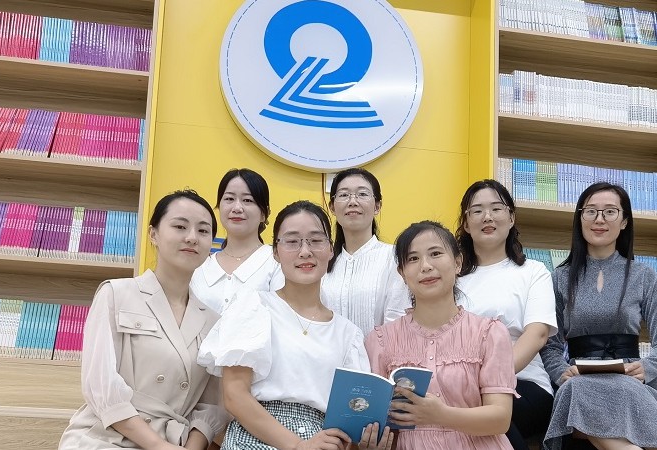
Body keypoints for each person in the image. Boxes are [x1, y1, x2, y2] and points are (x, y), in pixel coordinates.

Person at [61, 190, 231, 450]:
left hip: (175, 442)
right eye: (180, 226)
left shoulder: (213, 320)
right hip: (104, 437)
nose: (192, 237)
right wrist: (157, 446)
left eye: (203, 231)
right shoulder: (116, 293)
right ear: (153, 234)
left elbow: (211, 406)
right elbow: (101, 386)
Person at [198, 201, 371, 450]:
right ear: (276, 252)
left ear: (331, 249)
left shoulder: (348, 334)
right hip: (253, 438)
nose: (305, 251)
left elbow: (351, 416)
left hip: (320, 441)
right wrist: (298, 446)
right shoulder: (254, 306)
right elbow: (234, 396)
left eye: (316, 240)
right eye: (292, 241)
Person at [541, 182, 657, 450]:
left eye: (610, 211)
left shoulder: (644, 275)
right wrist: (561, 373)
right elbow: (550, 345)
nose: (599, 219)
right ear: (580, 218)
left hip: (630, 380)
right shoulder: (559, 278)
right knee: (576, 390)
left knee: (611, 390)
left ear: (624, 222)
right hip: (580, 378)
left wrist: (646, 368)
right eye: (591, 211)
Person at [358, 221, 518, 450]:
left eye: (435, 253)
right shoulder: (380, 341)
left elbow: (500, 419)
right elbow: (376, 420)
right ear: (402, 273)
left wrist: (440, 415)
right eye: (413, 258)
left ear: (458, 262)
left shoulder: (489, 333)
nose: (425, 266)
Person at [452, 179, 557, 449]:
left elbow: (537, 334)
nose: (487, 217)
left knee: (485, 410)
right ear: (466, 224)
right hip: (460, 384)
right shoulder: (451, 277)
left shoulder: (533, 272)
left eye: (496, 209)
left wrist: (487, 381)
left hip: (523, 382)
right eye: (477, 211)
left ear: (511, 218)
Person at [320, 168, 411, 334]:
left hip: (382, 351)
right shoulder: (322, 261)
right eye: (344, 195)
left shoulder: (394, 258)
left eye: (362, 194)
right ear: (332, 207)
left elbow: (398, 323)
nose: (352, 201)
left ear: (377, 206)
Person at [193, 168, 284, 314]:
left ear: (264, 213)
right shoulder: (200, 265)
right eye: (229, 199)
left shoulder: (277, 262)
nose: (237, 208)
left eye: (247, 200)